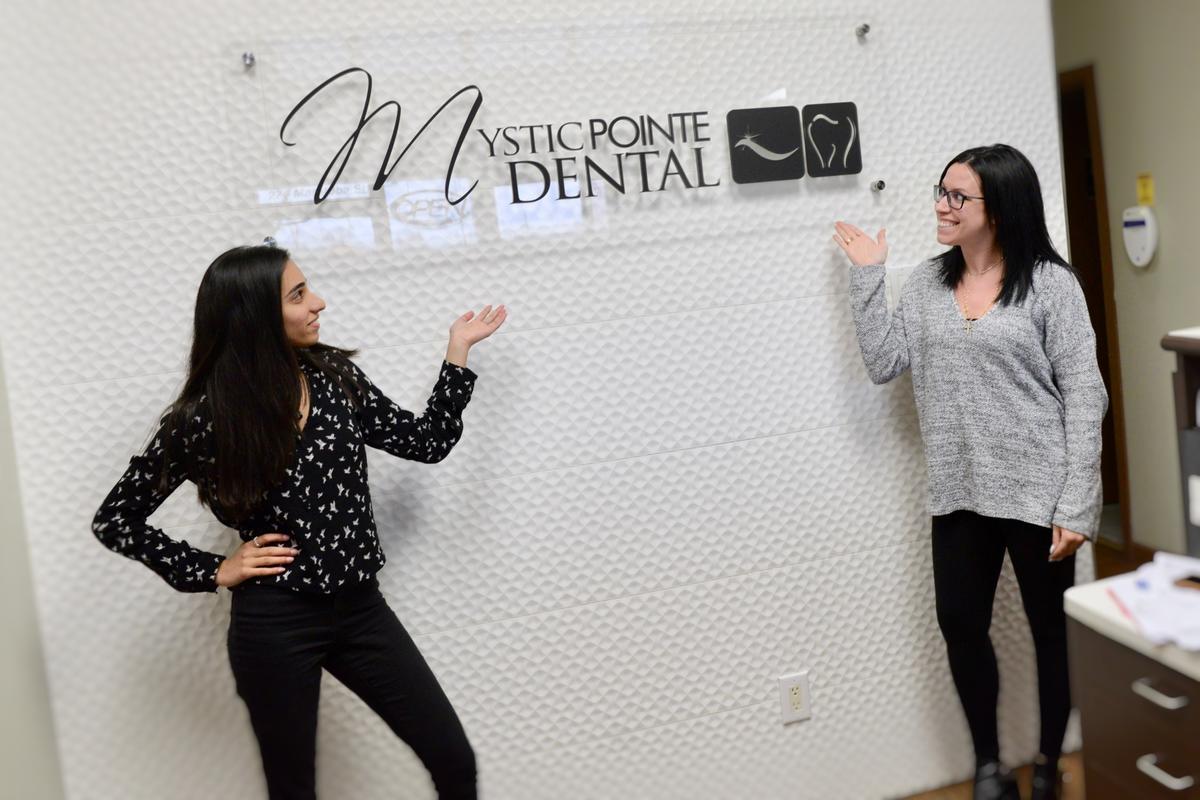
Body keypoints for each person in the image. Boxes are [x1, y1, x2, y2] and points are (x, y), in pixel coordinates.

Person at [92, 244, 506, 800]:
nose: (319, 302)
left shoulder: (336, 377)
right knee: (294, 791)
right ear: (256, 315)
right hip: (276, 622)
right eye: (298, 294)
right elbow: (115, 519)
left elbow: (424, 442)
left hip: (361, 611)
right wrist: (214, 568)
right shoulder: (204, 418)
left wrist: (457, 351)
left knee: (453, 760)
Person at [832, 144, 1107, 800]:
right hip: (958, 490)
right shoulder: (927, 284)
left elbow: (1085, 395)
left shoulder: (1050, 285)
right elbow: (883, 360)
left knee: (1050, 634)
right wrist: (869, 274)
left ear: (1000, 207)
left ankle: (1047, 763)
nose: (941, 205)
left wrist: (1077, 503)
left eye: (958, 196)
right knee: (958, 621)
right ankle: (989, 765)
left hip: (1041, 495)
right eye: (941, 191)